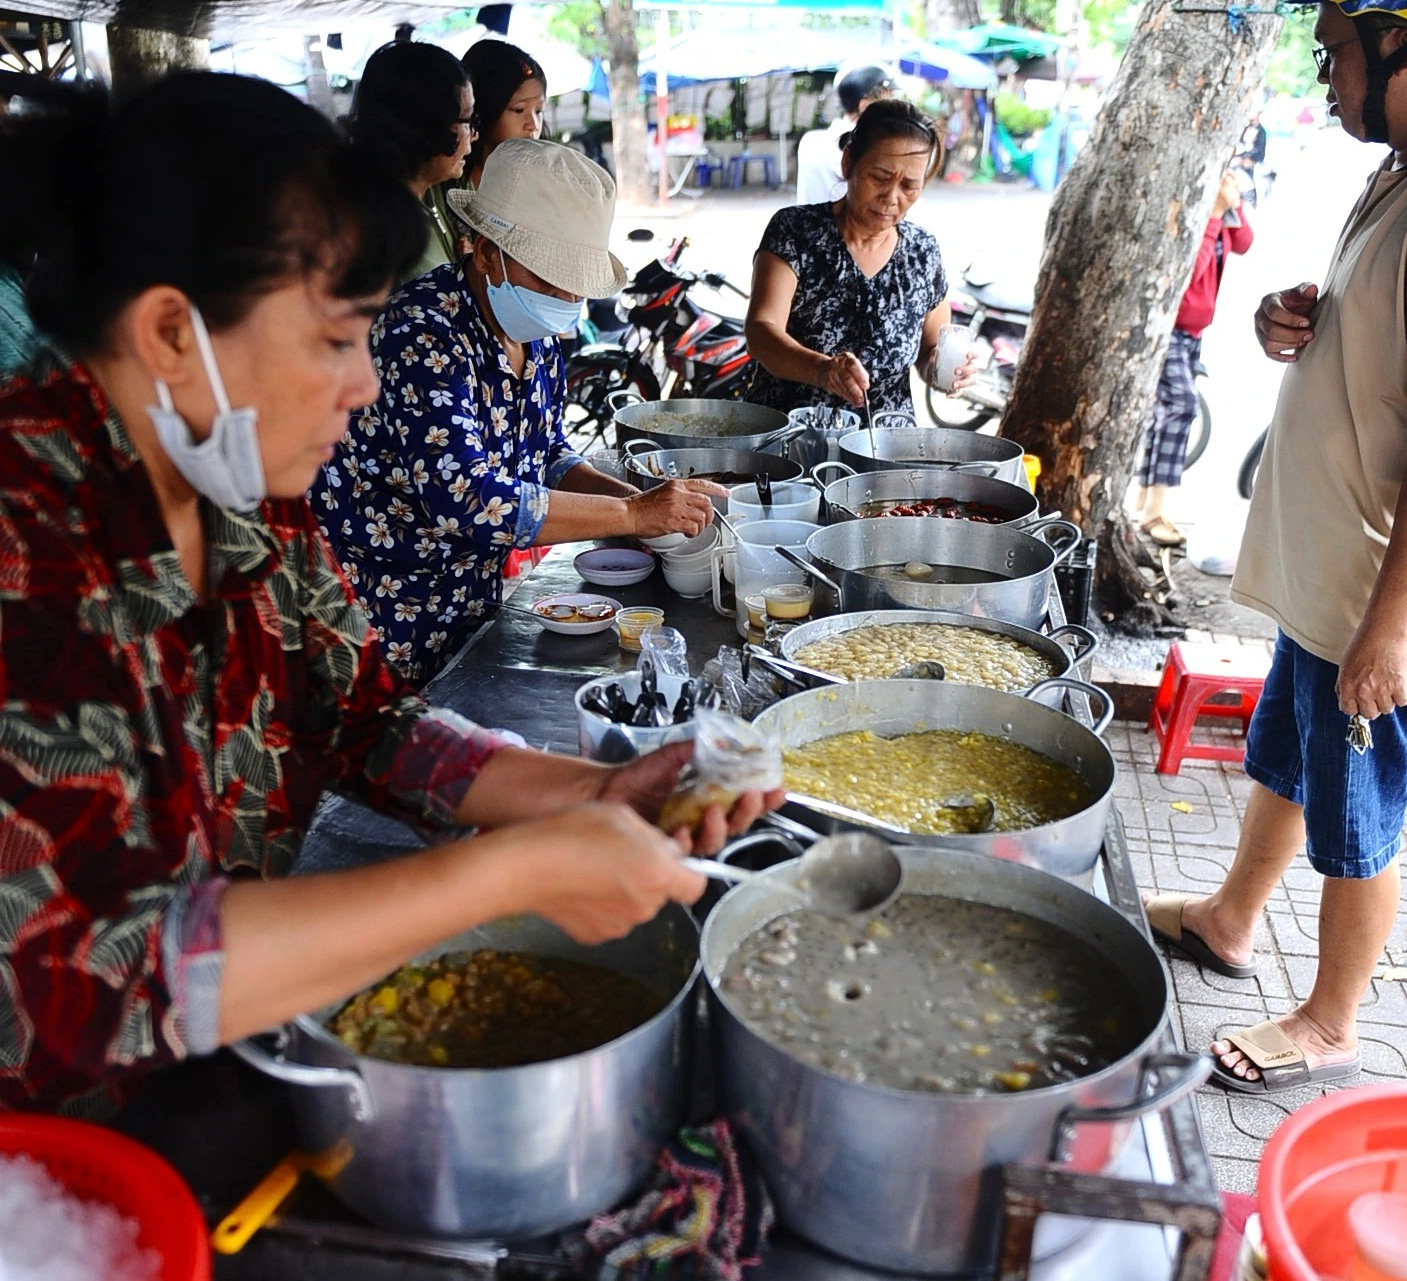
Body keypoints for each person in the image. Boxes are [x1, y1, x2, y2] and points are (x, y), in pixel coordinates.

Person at [0, 73, 778, 1116]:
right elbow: (88, 977)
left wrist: (592, 795)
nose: (365, 383)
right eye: (334, 339)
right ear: (173, 334)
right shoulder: (26, 537)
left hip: (217, 1037)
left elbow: (362, 717)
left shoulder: (239, 484)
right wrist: (511, 875)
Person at [1142, 0, 1407, 1094]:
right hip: (1326, 567)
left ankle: (1333, 1019)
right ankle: (1230, 914)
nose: (1325, 74)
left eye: (1336, 50)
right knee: (1288, 752)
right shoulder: (1390, 179)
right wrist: (1291, 321)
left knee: (1360, 802)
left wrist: (1390, 630)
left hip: (1373, 589)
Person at [313, 138, 720, 685]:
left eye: (574, 285)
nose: (564, 298)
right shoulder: (421, 335)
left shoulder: (536, 330)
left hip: (470, 603)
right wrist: (631, 516)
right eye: (548, 278)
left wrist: (637, 504)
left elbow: (546, 454)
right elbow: (469, 499)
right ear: (484, 254)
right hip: (382, 612)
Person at [746, 99, 972, 418]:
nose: (891, 198)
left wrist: (946, 369)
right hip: (793, 439)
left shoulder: (922, 252)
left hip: (885, 449)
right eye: (879, 178)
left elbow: (929, 351)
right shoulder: (795, 231)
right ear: (849, 162)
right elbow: (761, 332)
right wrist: (823, 370)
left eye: (909, 186)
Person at [1134, 169, 1253, 547]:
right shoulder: (1185, 203)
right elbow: (1185, 276)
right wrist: (1214, 214)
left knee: (1166, 412)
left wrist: (1234, 202)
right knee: (1182, 406)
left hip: (1192, 331)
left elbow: (1245, 242)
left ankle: (1147, 504)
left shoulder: (1219, 197)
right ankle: (1154, 511)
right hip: (1167, 328)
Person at [344, 41, 477, 284]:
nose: (473, 134)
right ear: (426, 127)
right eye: (466, 120)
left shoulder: (433, 195)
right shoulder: (380, 228)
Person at [794, 64, 896, 206]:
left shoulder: (810, 141)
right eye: (889, 102)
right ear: (865, 106)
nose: (894, 110)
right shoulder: (868, 147)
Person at [462, 39, 546, 191]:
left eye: (538, 111)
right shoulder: (449, 181)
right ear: (484, 107)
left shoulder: (543, 183)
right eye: (519, 110)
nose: (533, 125)